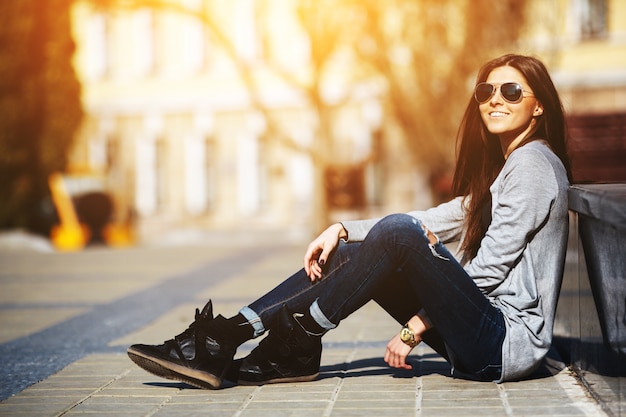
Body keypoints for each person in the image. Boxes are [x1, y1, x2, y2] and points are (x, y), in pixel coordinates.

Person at [127, 53, 571, 389]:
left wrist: (414, 328)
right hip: (482, 334)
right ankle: (226, 337)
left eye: (511, 92)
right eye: (486, 92)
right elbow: (444, 217)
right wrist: (344, 229)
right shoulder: (512, 166)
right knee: (359, 247)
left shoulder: (532, 166)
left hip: (501, 344)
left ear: (538, 107)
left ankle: (294, 337)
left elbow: (489, 268)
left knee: (398, 233)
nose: (495, 100)